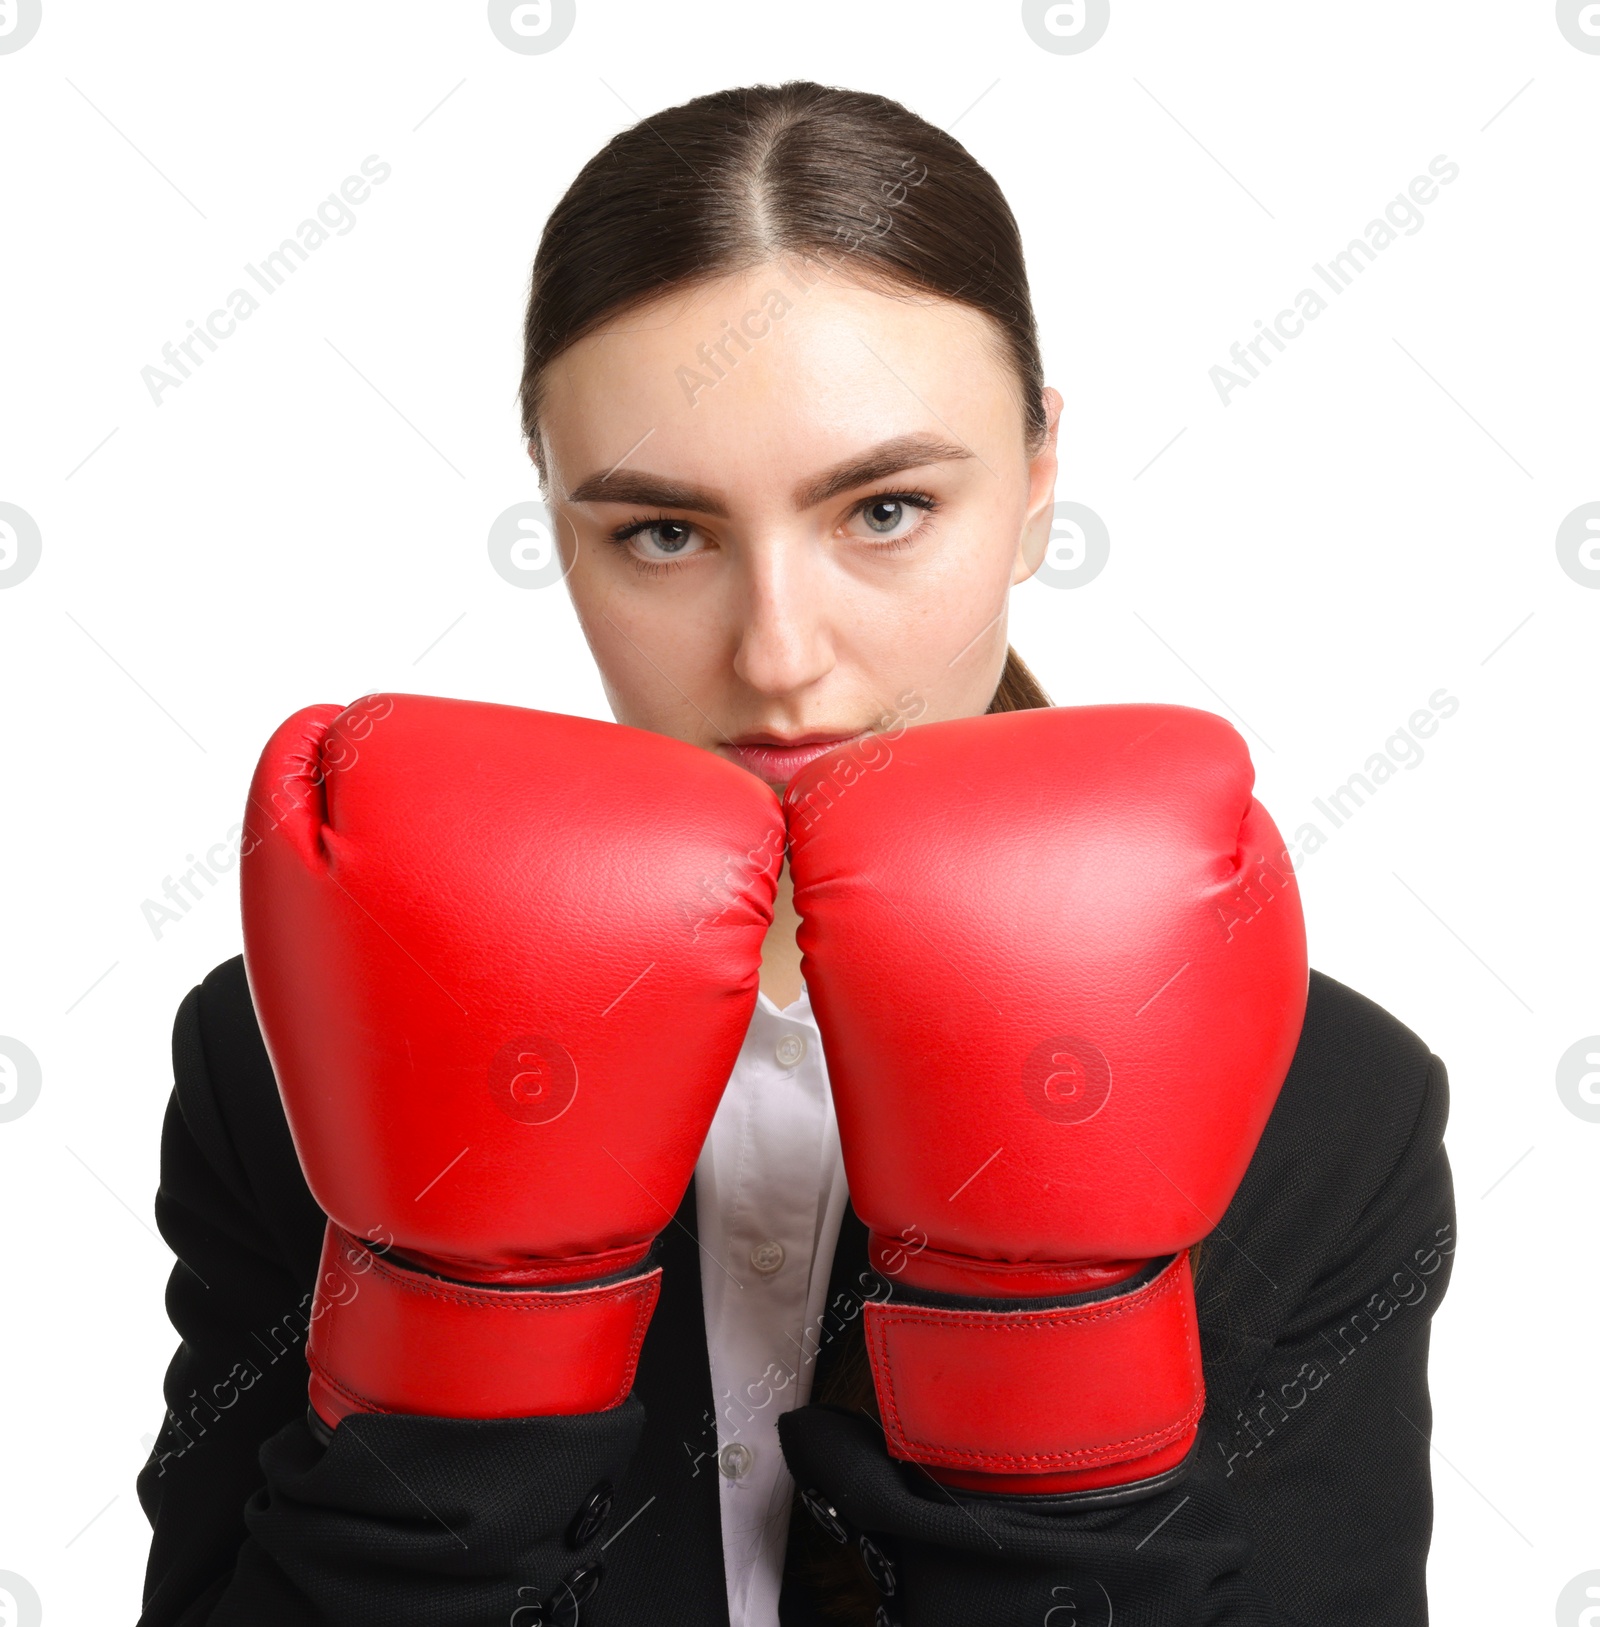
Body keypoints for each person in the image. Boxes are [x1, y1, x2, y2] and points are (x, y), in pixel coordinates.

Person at [135, 82, 1455, 1626]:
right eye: (664, 534)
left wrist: (1044, 1422)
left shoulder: (1319, 1099)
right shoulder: (297, 1050)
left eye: (885, 508)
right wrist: (456, 1371)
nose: (779, 655)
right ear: (559, 527)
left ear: (1036, 485)